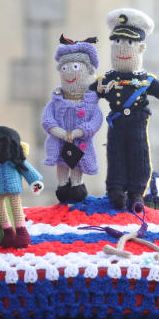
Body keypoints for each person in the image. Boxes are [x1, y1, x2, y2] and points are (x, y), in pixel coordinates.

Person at [92, 8, 159, 210]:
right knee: (115, 156)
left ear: (140, 48)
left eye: (129, 43)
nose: (122, 49)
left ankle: (136, 193)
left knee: (139, 157)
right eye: (117, 43)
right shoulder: (107, 80)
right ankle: (115, 190)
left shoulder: (145, 81)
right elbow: (89, 96)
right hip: (116, 125)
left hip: (137, 125)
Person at [42, 35, 102, 203]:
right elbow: (48, 120)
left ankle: (76, 185)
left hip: (80, 142)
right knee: (62, 162)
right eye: (65, 68)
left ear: (87, 71)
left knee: (78, 164)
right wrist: (59, 132)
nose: (69, 72)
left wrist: (79, 131)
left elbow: (96, 121)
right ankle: (62, 185)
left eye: (75, 67)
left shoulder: (91, 102)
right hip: (60, 141)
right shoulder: (56, 100)